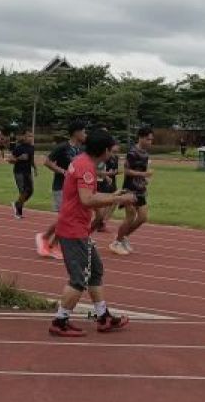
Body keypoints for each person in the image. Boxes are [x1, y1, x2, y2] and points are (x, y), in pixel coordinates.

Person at [47, 127, 137, 338]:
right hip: (73, 230)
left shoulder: (82, 161)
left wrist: (112, 196)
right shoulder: (86, 167)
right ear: (104, 151)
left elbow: (86, 196)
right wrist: (119, 199)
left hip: (76, 227)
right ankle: (60, 321)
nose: (112, 153)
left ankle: (103, 316)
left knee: (95, 271)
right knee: (78, 279)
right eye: (111, 150)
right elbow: (87, 200)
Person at [36, 120, 88, 258]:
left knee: (69, 218)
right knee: (65, 218)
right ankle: (48, 240)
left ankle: (50, 241)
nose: (85, 134)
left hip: (75, 188)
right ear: (76, 132)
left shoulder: (82, 149)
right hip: (61, 186)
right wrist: (63, 171)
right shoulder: (63, 147)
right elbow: (47, 162)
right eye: (84, 132)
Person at [111, 126, 154, 256]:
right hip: (129, 189)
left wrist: (144, 180)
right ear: (141, 138)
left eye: (151, 140)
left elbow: (142, 170)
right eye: (148, 139)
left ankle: (122, 237)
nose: (150, 142)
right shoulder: (132, 152)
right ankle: (116, 243)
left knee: (143, 217)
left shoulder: (145, 153)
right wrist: (143, 174)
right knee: (130, 216)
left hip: (140, 189)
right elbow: (127, 171)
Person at [90, 139, 120, 234]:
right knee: (101, 209)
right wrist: (106, 176)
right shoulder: (103, 157)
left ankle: (103, 223)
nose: (115, 154)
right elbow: (96, 170)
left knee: (114, 202)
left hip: (111, 183)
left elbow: (114, 170)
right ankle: (90, 229)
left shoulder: (115, 158)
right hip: (101, 184)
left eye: (117, 152)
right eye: (113, 151)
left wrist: (115, 172)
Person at [9, 129, 37, 219]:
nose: (31, 138)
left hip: (27, 172)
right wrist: (19, 158)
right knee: (23, 191)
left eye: (32, 136)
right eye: (29, 136)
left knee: (30, 191)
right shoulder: (19, 148)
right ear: (24, 137)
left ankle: (17, 204)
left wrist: (35, 168)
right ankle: (18, 211)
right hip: (19, 172)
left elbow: (31, 159)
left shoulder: (32, 148)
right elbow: (10, 160)